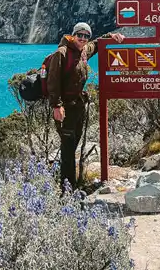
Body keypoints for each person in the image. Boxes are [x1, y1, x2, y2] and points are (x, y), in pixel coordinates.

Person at [47, 22, 124, 193]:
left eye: (85, 36)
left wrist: (110, 36)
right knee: (67, 148)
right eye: (79, 35)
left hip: (78, 107)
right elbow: (53, 82)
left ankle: (68, 183)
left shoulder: (83, 51)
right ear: (73, 35)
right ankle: (67, 191)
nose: (82, 38)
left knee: (73, 144)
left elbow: (95, 45)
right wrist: (56, 106)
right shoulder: (62, 53)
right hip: (65, 108)